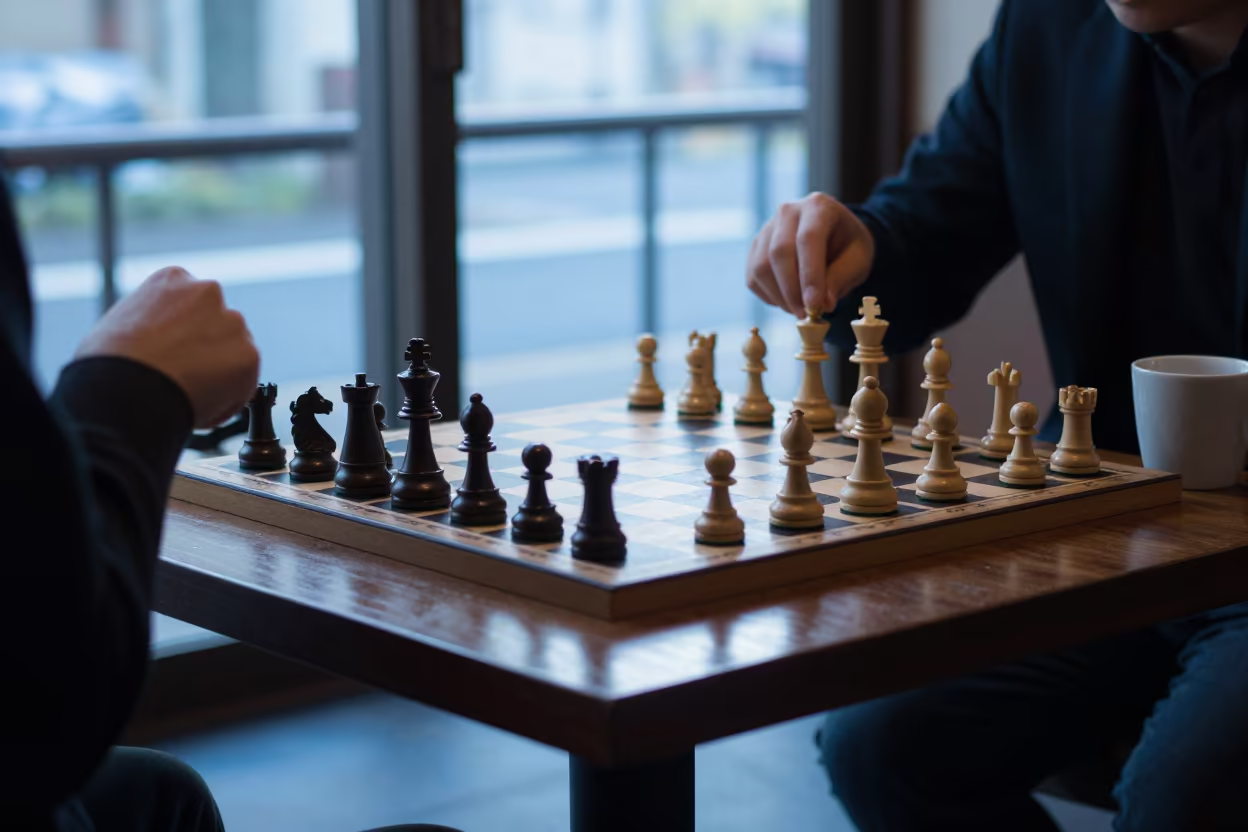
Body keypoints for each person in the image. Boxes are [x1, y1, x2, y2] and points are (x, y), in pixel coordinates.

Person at [746, 0, 1248, 829]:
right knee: (880, 745)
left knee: (1181, 798)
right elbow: (924, 234)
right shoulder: (1048, 26)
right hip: (1110, 530)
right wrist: (855, 249)